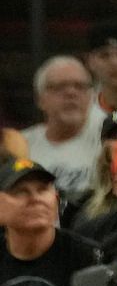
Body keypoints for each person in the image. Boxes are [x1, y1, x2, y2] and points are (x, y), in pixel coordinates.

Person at [0, 158, 101, 286]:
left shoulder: (89, 257)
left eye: (43, 190)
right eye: (20, 192)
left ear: (56, 200)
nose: (35, 199)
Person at [21, 55, 100, 203]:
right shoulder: (20, 145)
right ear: (40, 99)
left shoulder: (107, 140)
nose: (71, 93)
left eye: (80, 86)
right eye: (59, 87)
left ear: (91, 96)